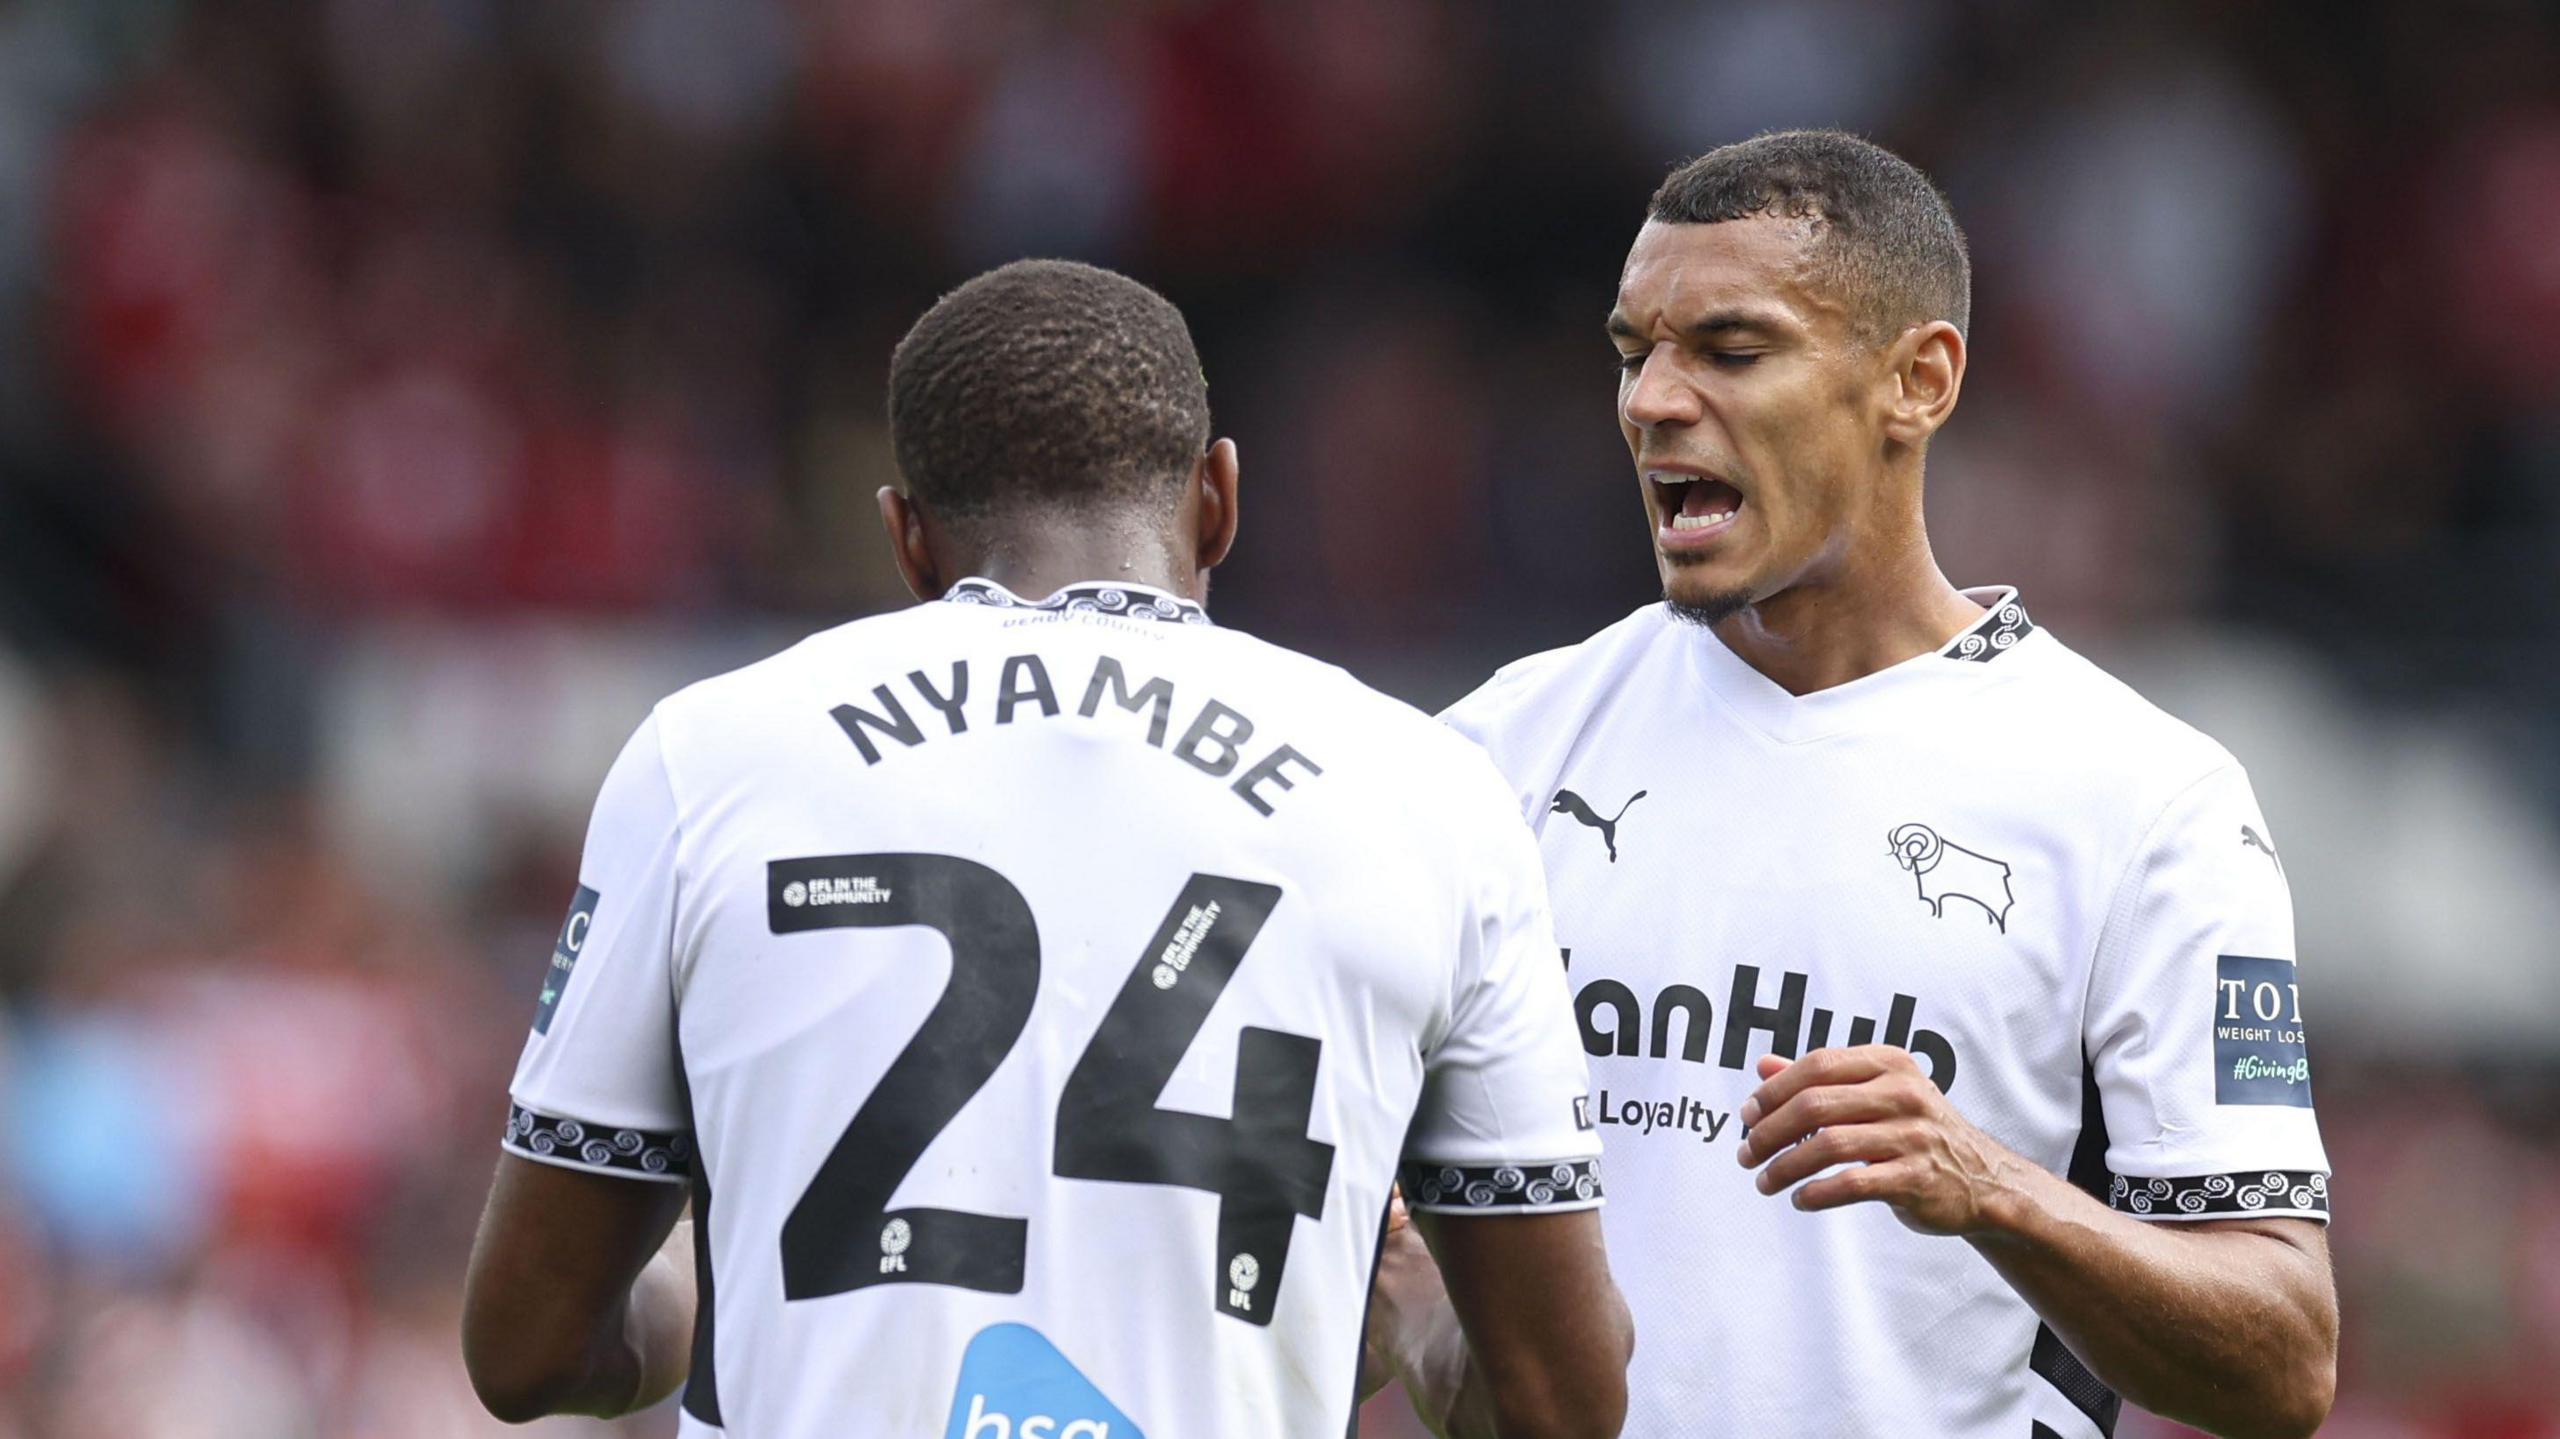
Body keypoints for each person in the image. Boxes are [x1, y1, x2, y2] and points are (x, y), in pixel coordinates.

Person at [458, 259, 1632, 1438]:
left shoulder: (703, 758)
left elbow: (525, 1347)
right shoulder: (1427, 790)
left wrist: (728, 1263)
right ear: (1217, 499)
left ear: (907, 540)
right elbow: (1565, 1401)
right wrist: (1404, 1318)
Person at [1377, 132, 2338, 1439]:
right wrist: (1433, 1330)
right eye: (1631, 351)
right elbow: (1394, 1274)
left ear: (1917, 381)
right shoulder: (1491, 755)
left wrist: (1990, 1184)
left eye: (1729, 349)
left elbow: (2283, 1360)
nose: (1653, 400)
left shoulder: (2145, 796)